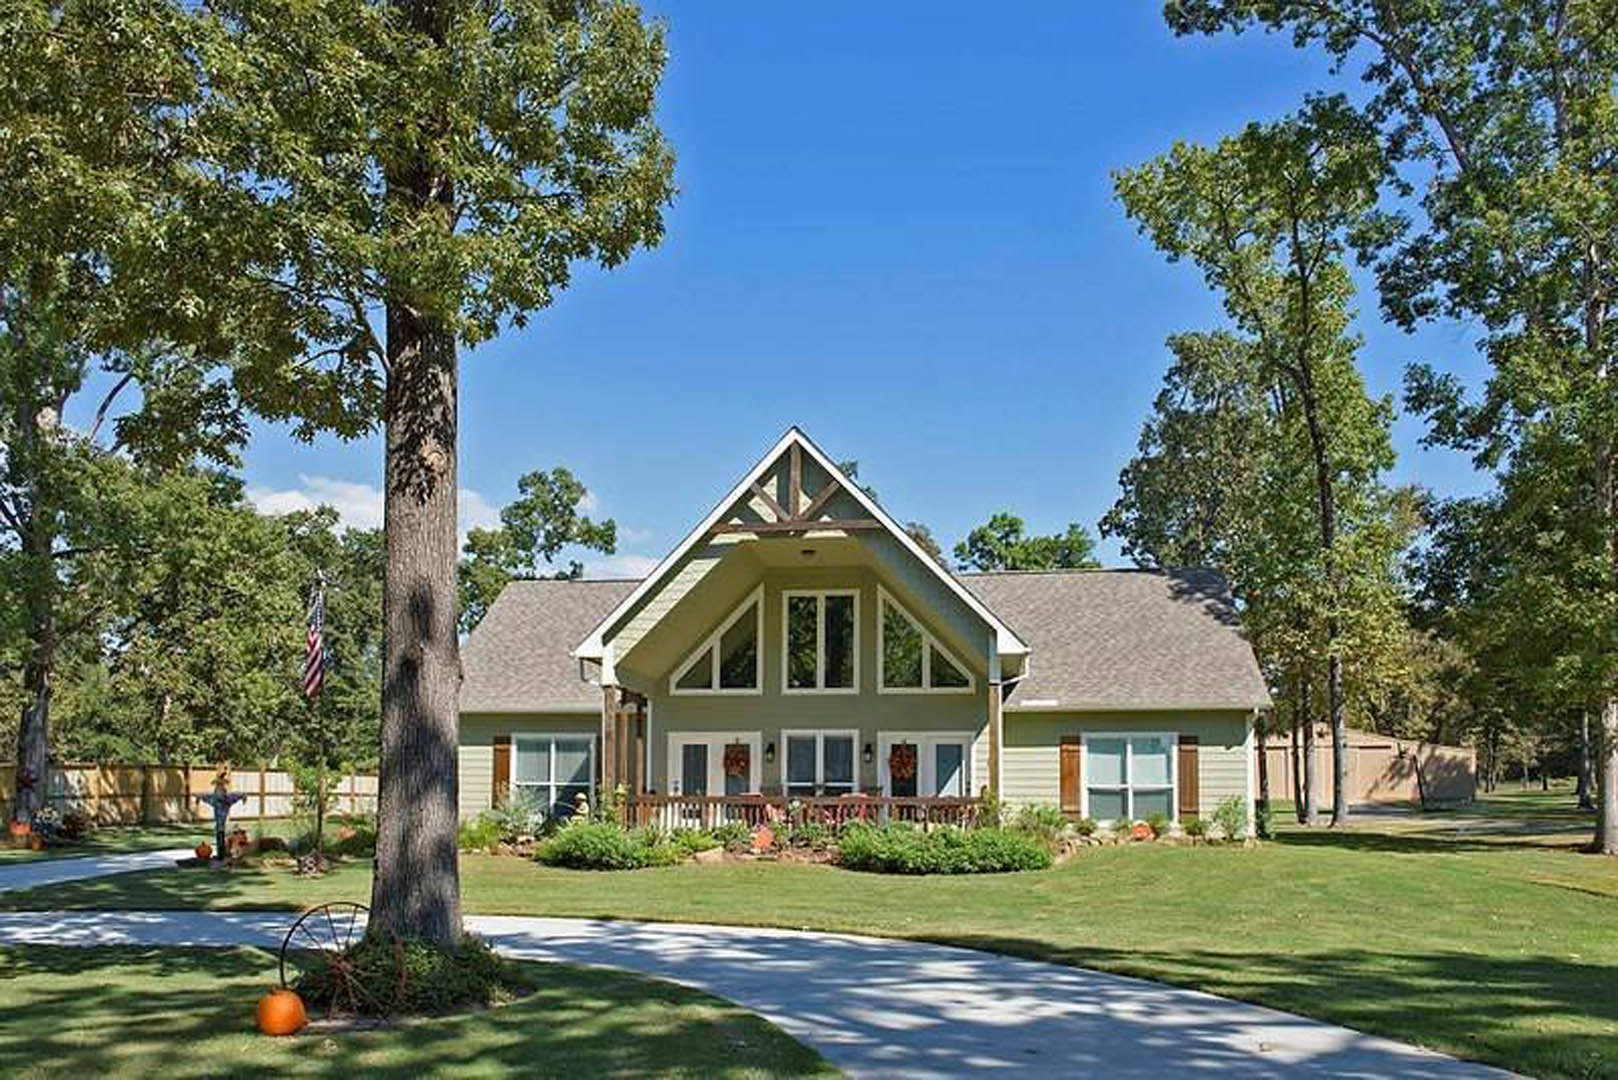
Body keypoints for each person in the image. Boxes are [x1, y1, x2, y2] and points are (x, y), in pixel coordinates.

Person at [196, 771, 247, 860]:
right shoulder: (216, 798)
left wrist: (242, 796)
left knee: (222, 831)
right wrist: (199, 797)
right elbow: (205, 796)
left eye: (221, 787)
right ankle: (222, 852)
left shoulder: (225, 798)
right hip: (220, 818)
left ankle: (224, 852)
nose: (220, 788)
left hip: (223, 816)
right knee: (220, 830)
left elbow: (236, 795)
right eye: (218, 787)